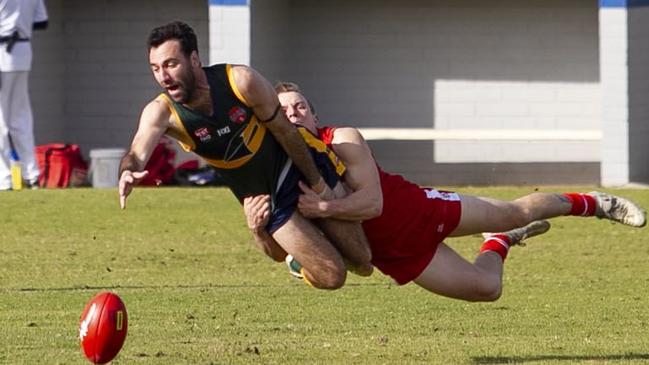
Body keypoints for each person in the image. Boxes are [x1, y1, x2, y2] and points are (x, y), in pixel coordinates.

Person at [243, 81, 646, 301]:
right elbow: (281, 252)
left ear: (314, 114)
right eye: (285, 110)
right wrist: (259, 230)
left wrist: (325, 206)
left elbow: (372, 201)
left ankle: (596, 203)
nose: (294, 114)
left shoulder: (342, 138)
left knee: (517, 211)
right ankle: (499, 243)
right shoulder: (280, 174)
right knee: (487, 290)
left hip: (418, 211)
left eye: (300, 107)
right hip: (397, 254)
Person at [118, 21, 371, 290]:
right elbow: (136, 151)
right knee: (333, 277)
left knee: (364, 262)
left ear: (194, 59)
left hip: (299, 169)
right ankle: (300, 257)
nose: (163, 77)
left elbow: (286, 133)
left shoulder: (240, 81)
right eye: (155, 68)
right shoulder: (163, 112)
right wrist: (127, 170)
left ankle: (319, 232)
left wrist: (318, 184)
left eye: (170, 64)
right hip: (267, 200)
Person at [0, 0, 48, 190]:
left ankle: (4, 178)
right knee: (21, 116)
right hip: (23, 51)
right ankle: (32, 174)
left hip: (3, 51)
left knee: (2, 119)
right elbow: (42, 22)